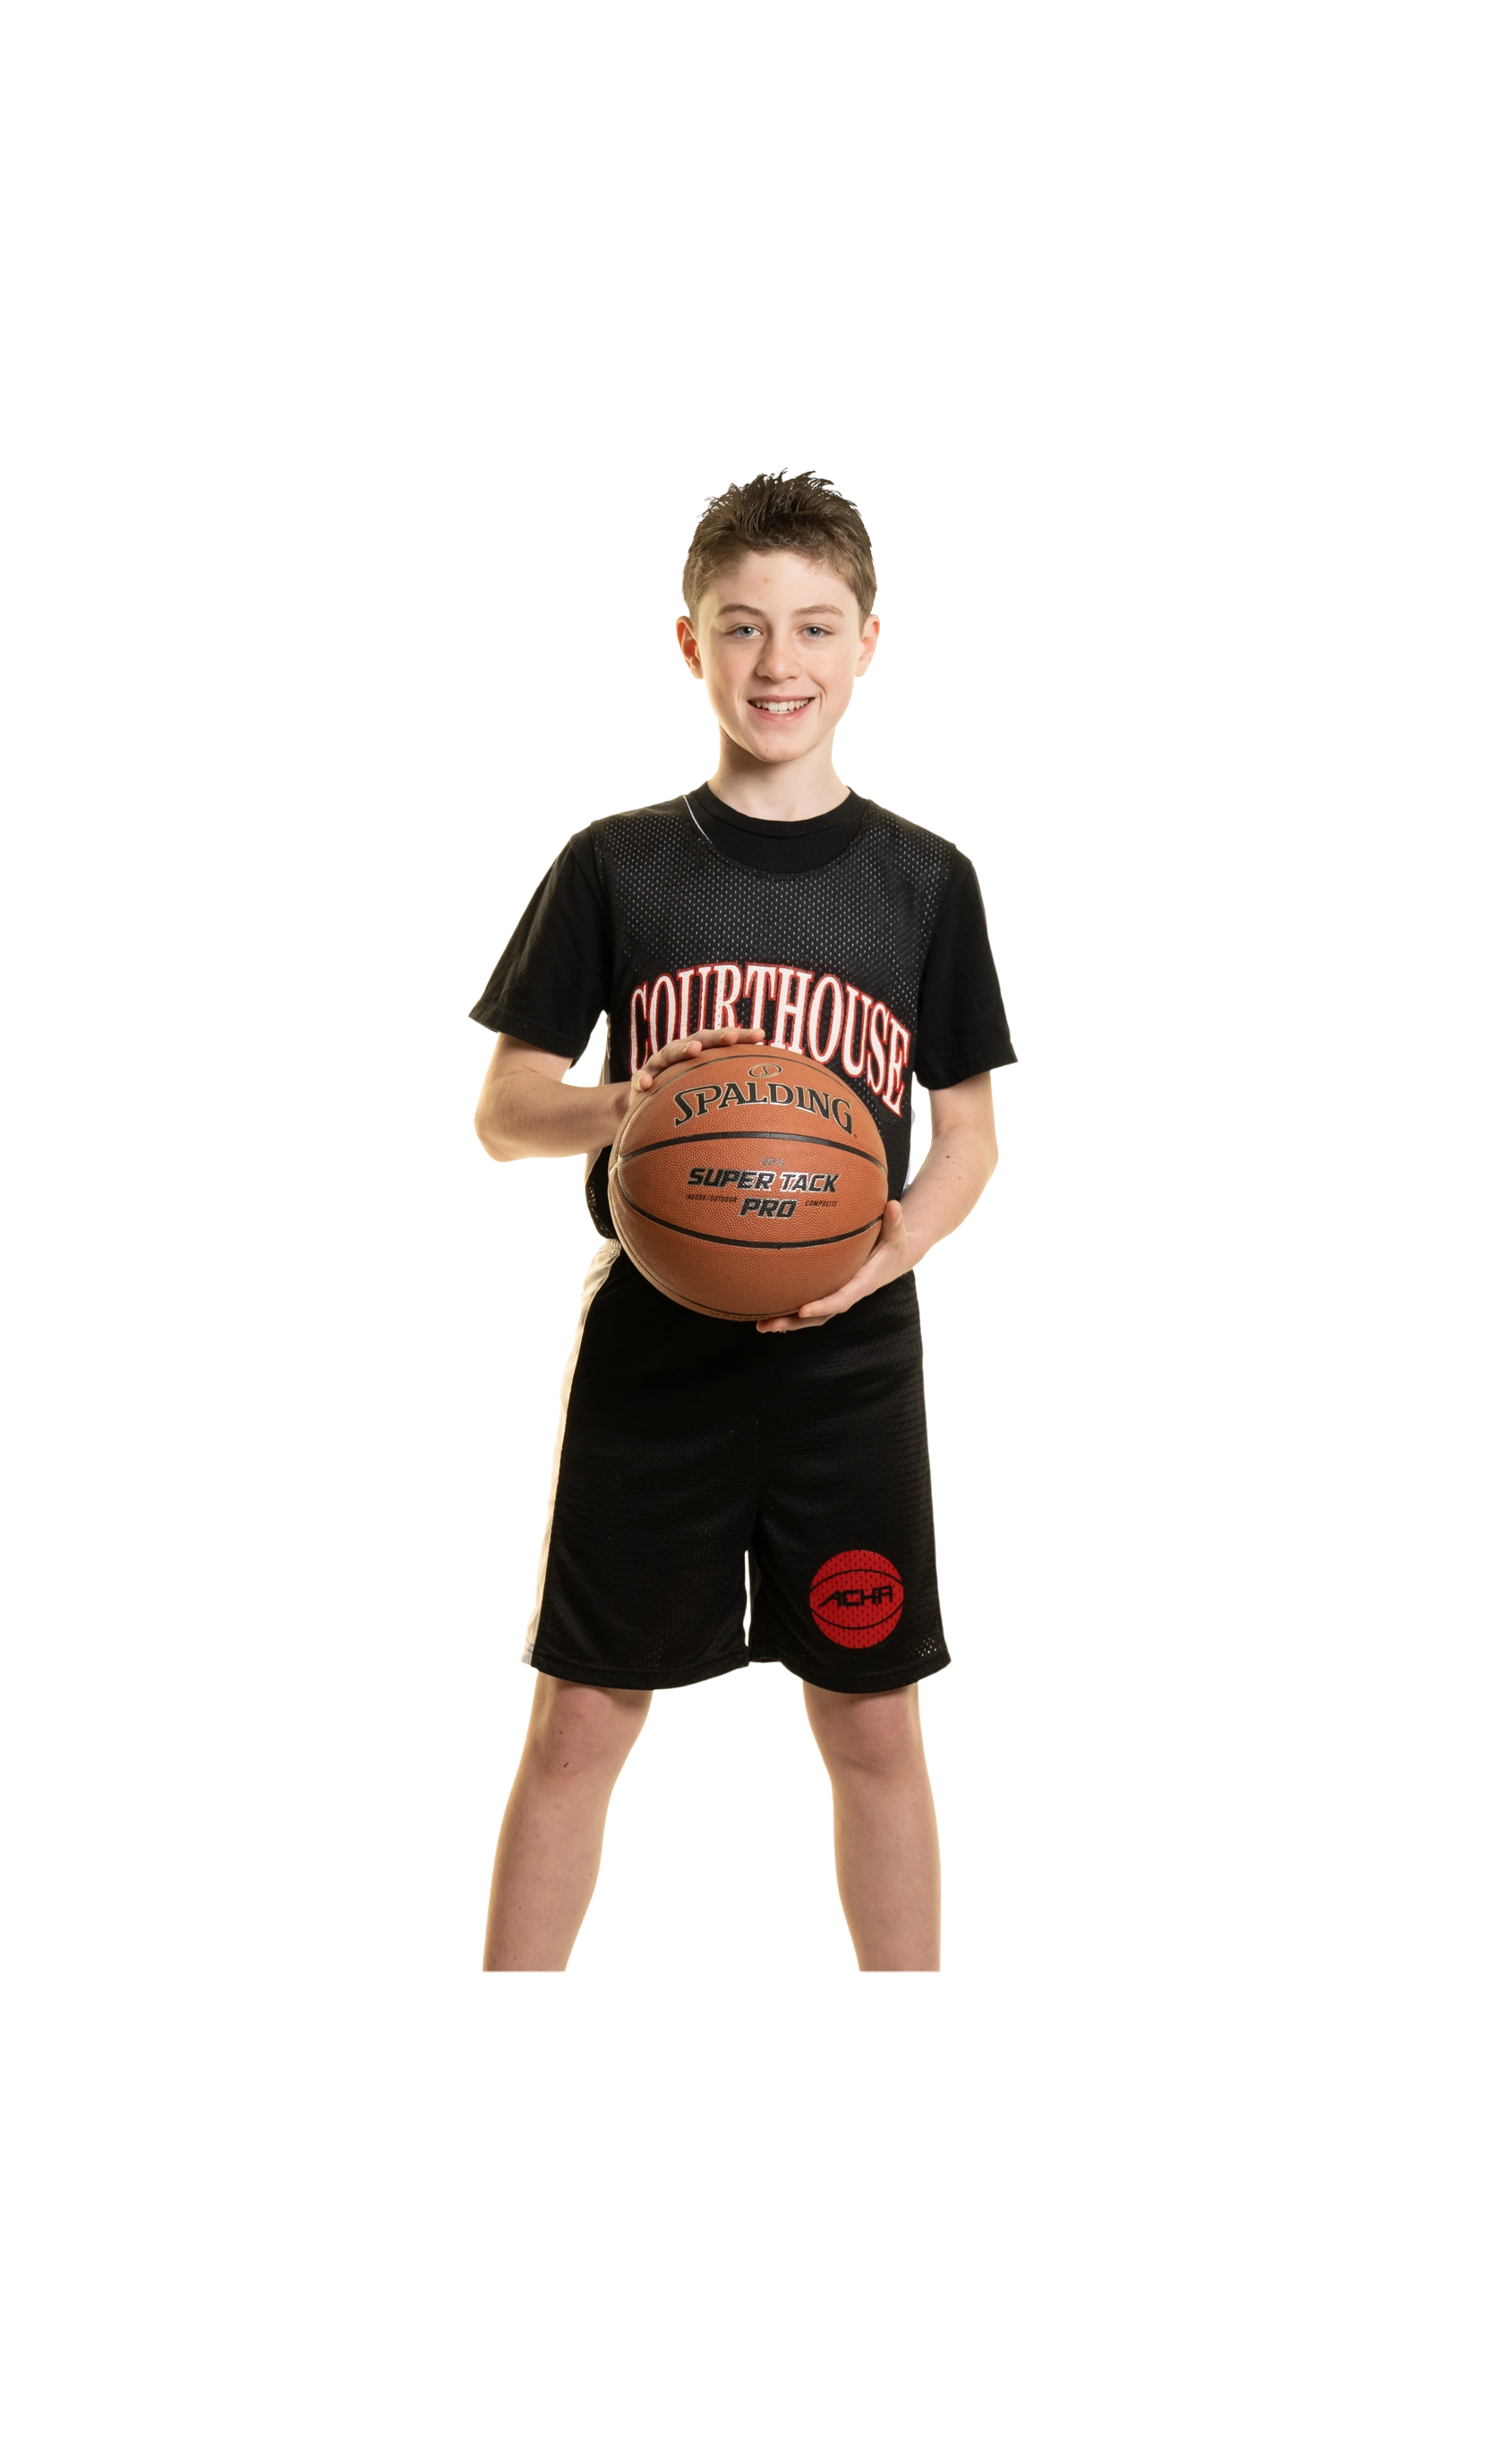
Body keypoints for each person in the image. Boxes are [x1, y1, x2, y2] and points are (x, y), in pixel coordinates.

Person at [469, 467, 1016, 1972]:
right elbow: (506, 1106)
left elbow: (968, 1136)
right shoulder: (617, 861)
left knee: (874, 1726)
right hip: (657, 1355)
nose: (781, 661)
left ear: (869, 644)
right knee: (580, 1719)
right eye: (743, 625)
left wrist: (894, 1246)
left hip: (850, 1358)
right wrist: (627, 1105)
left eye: (816, 626)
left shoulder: (926, 881)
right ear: (691, 642)